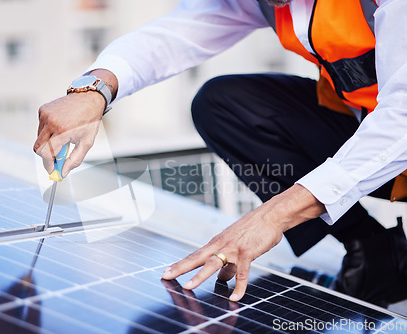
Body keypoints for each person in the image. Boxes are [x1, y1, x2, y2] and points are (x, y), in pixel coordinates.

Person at [33, 0, 407, 305]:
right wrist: (95, 89)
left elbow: (402, 120)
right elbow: (177, 34)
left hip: (397, 137)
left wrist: (272, 216)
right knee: (223, 105)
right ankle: (376, 253)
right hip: (374, 141)